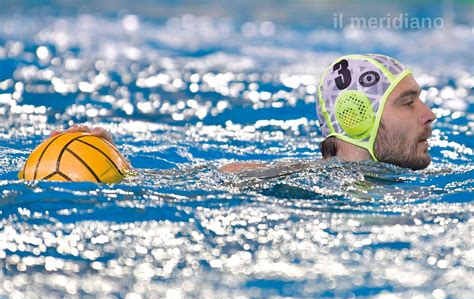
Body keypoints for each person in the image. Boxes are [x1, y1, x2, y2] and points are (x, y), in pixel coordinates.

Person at [52, 54, 435, 175]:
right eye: (408, 102)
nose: (429, 114)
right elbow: (202, 180)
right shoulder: (304, 180)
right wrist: (118, 167)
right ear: (356, 117)